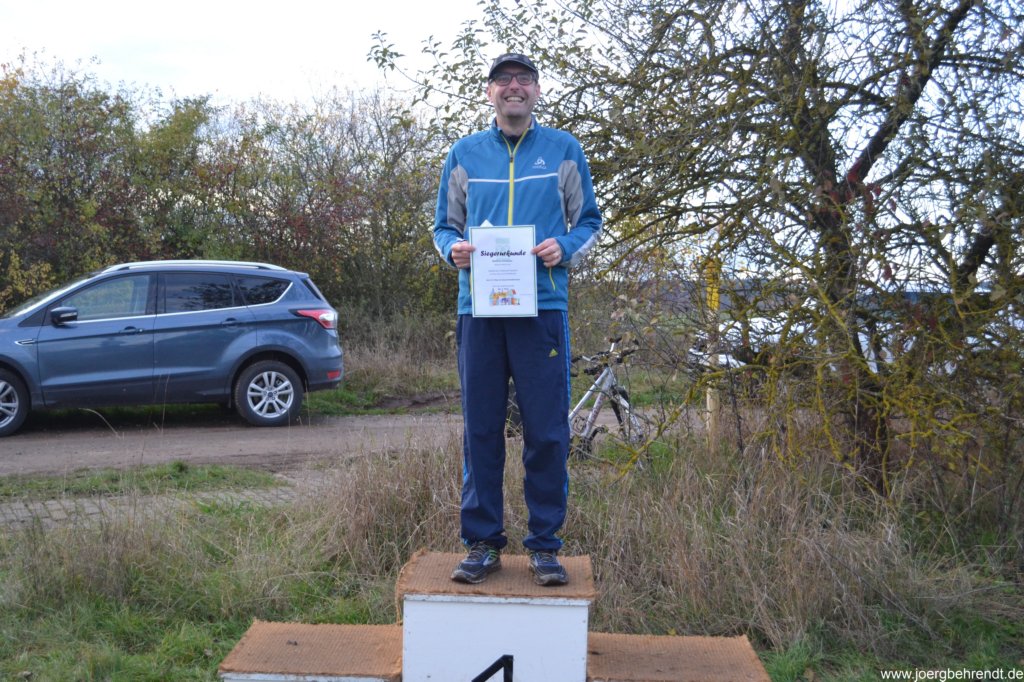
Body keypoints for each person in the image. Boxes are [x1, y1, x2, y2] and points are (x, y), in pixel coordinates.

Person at [433, 52, 602, 586]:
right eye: (503, 80)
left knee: (547, 432)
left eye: (523, 79)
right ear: (489, 92)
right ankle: (482, 544)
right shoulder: (464, 153)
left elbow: (589, 221)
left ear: (536, 90)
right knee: (481, 430)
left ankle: (545, 547)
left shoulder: (564, 149)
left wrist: (565, 247)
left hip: (542, 310)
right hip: (479, 310)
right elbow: (443, 227)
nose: (514, 87)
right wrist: (453, 250)